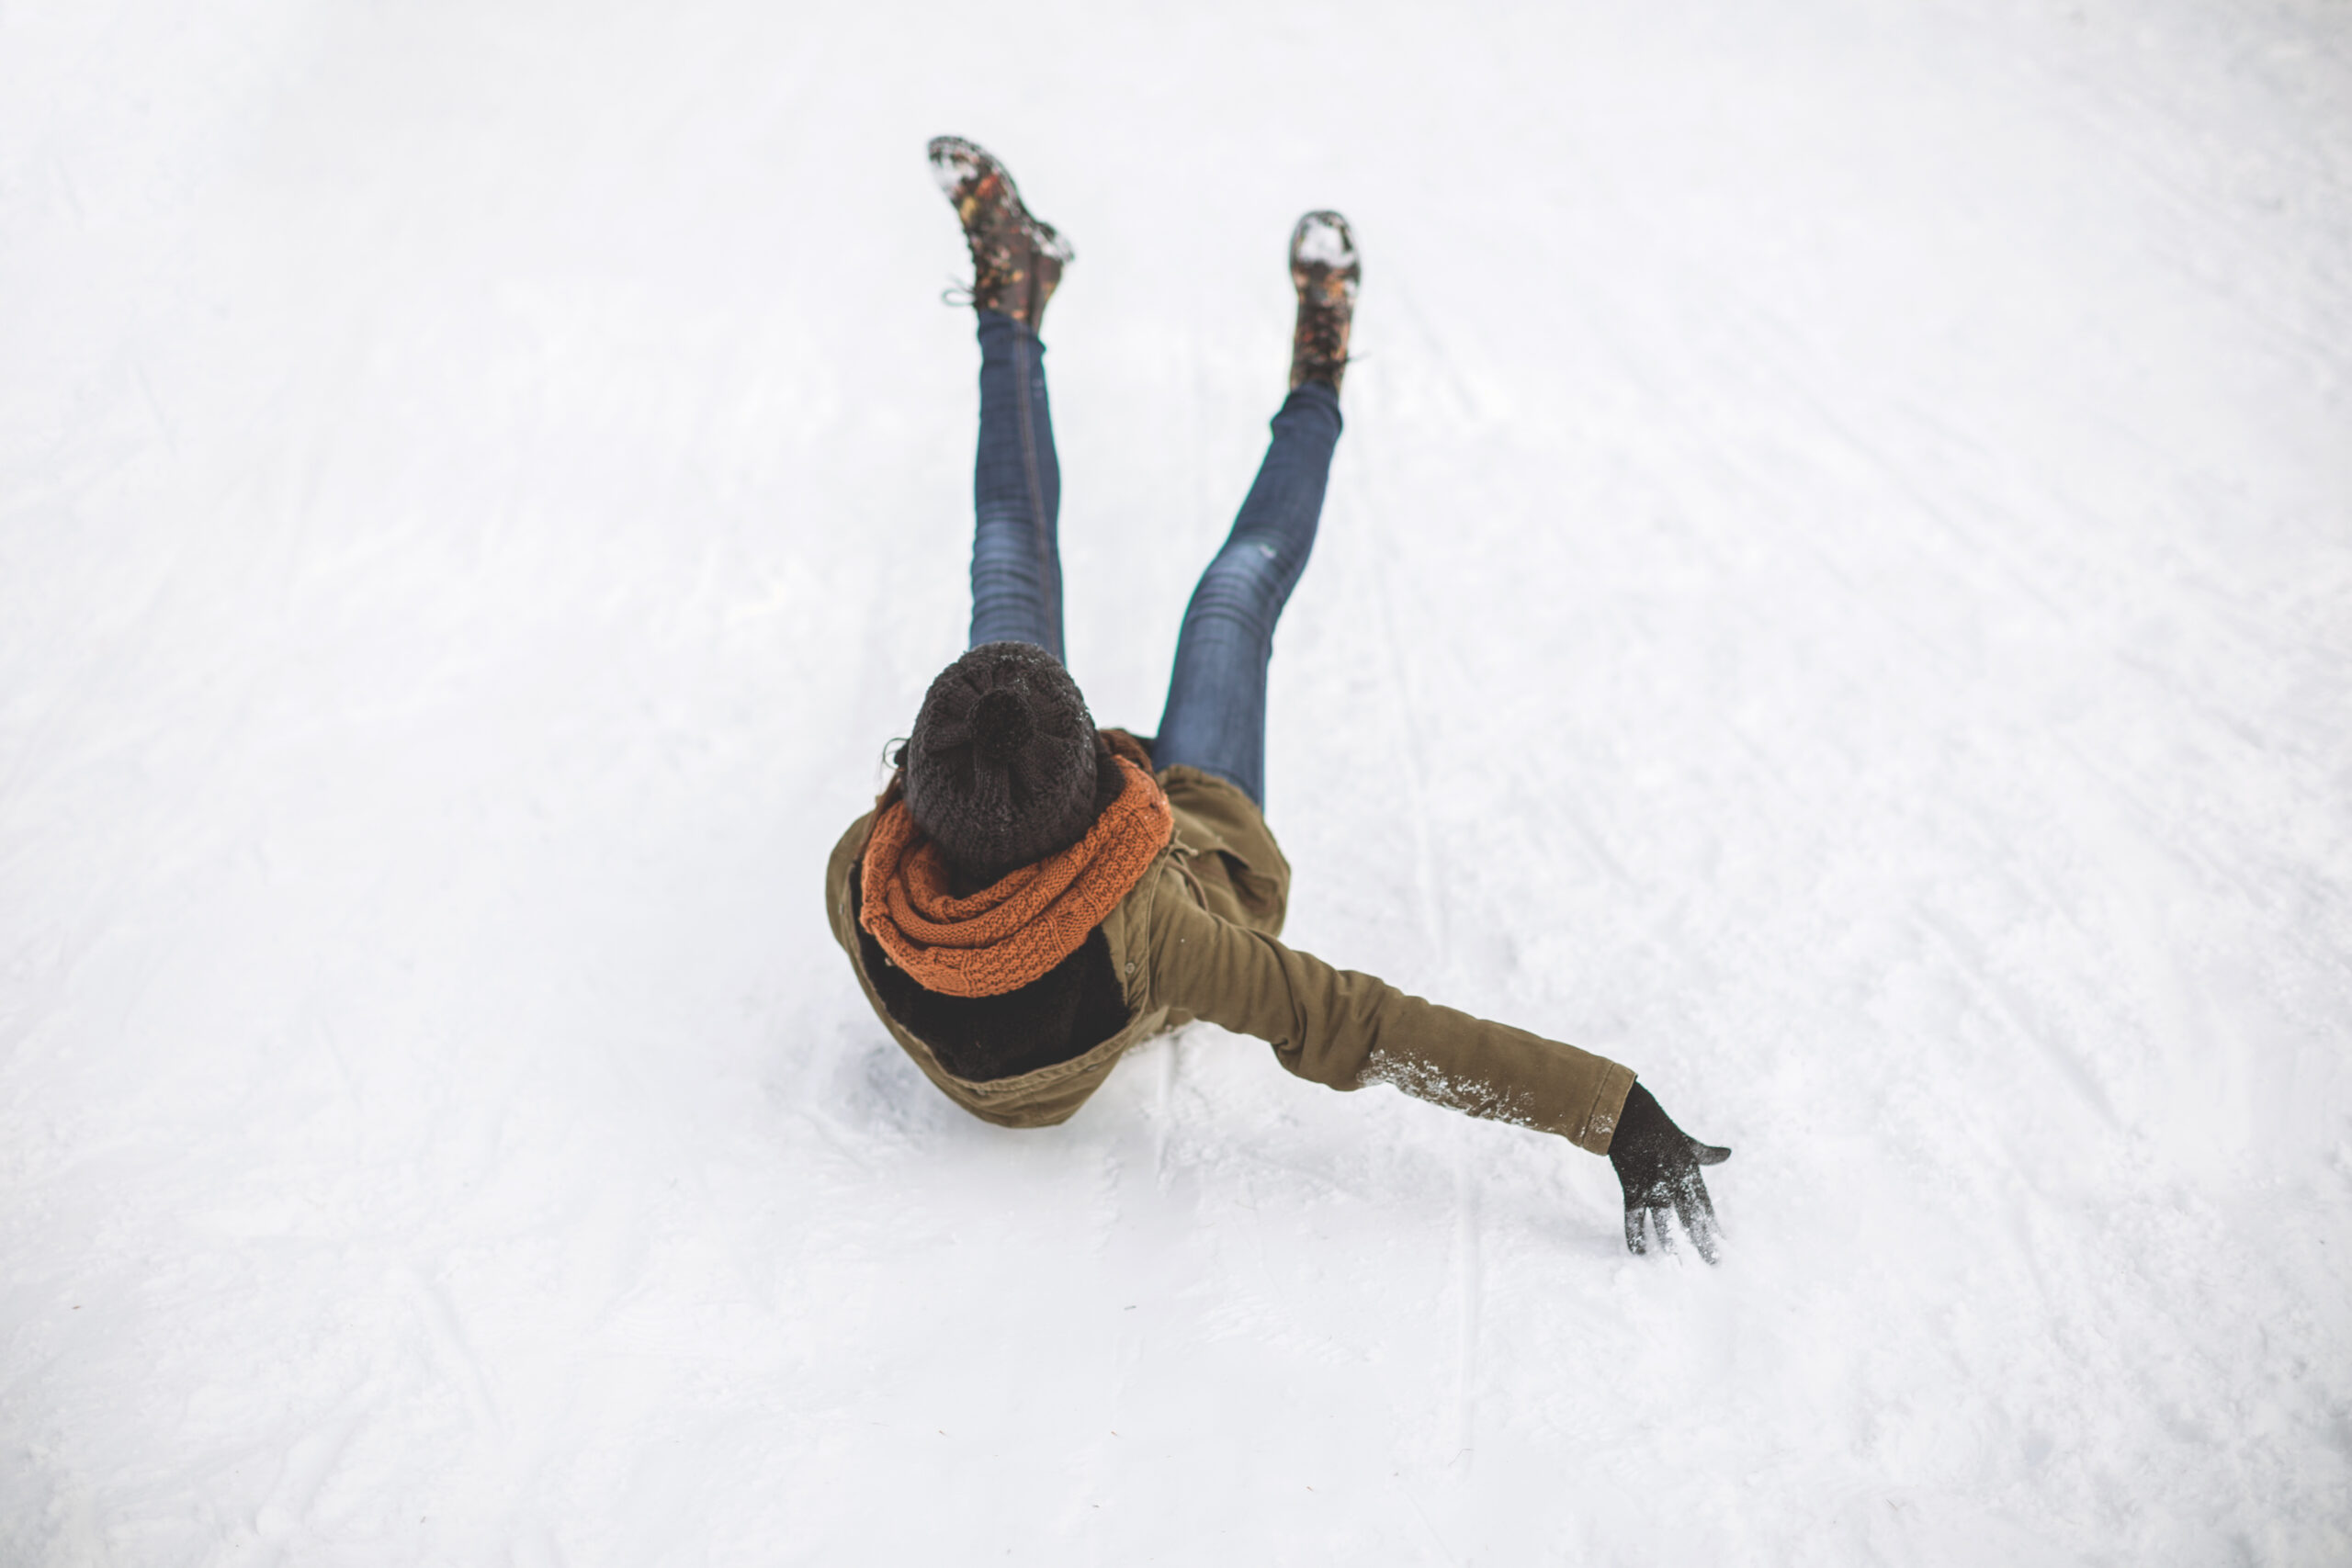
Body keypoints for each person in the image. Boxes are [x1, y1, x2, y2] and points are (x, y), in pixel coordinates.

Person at [825, 137, 1732, 1260]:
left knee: (1006, 553)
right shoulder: (1154, 930)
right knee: (1231, 594)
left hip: (1022, 832)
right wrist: (1611, 1112)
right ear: (1102, 793)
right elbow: (1352, 1023)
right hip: (1201, 843)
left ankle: (1015, 295)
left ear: (917, 784)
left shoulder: (864, 877)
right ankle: (1320, 372)